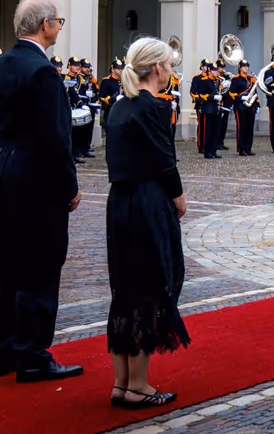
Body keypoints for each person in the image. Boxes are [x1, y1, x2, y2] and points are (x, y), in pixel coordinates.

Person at [0, 0, 83, 383]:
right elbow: (56, 138)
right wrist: (70, 185)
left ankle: (4, 350)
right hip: (38, 177)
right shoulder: (43, 72)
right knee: (40, 265)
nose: (59, 27)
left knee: (6, 264)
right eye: (58, 20)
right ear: (44, 25)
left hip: (6, 172)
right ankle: (33, 354)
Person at [104, 37, 190, 409]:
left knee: (124, 289)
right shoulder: (154, 107)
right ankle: (138, 384)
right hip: (147, 202)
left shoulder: (119, 106)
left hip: (119, 201)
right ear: (156, 68)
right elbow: (164, 159)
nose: (171, 72)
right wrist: (179, 197)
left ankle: (122, 382)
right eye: (169, 65)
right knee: (151, 288)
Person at [229, 59, 259, 156]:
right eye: (244, 66)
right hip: (240, 107)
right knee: (242, 128)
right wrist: (241, 97)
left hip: (251, 107)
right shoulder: (236, 79)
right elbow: (231, 93)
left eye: (247, 66)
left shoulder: (251, 79)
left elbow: (255, 93)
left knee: (250, 128)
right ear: (240, 68)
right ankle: (241, 149)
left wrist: (257, 105)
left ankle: (248, 148)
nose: (246, 68)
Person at [191, 60, 220, 158]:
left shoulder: (217, 81)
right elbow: (200, 95)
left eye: (217, 70)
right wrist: (212, 97)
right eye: (214, 70)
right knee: (206, 130)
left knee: (215, 131)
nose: (216, 72)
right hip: (206, 107)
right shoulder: (203, 81)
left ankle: (213, 150)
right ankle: (206, 150)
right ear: (209, 71)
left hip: (215, 108)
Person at [98, 57, 125, 148]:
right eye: (118, 68)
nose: (120, 70)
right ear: (112, 69)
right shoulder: (107, 81)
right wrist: (114, 99)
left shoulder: (124, 81)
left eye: (121, 68)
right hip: (111, 110)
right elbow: (102, 97)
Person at [214, 59, 230, 152]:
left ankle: (221, 142)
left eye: (223, 67)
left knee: (224, 124)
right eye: (220, 67)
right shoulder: (216, 78)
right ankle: (216, 143)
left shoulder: (226, 77)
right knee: (217, 125)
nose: (222, 69)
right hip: (218, 104)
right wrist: (223, 86)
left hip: (226, 103)